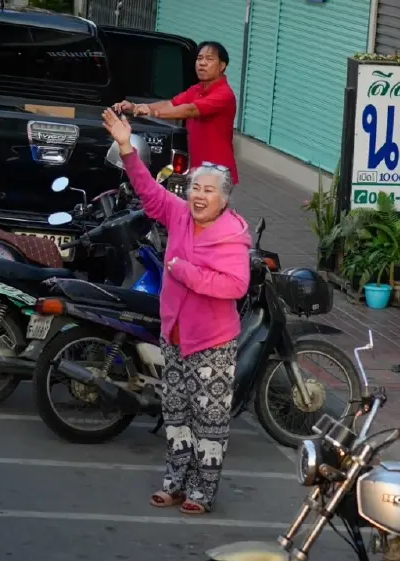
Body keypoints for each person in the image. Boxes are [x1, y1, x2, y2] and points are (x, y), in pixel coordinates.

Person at [101, 107, 251, 515]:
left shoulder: (231, 236)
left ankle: (203, 491)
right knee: (178, 417)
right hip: (175, 337)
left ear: (223, 200)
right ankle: (174, 484)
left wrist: (186, 272)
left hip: (212, 343)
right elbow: (148, 191)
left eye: (208, 190)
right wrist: (126, 147)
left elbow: (235, 285)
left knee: (210, 422)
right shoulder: (179, 213)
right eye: (195, 187)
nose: (198, 195)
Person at [113, 40, 239, 184]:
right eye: (199, 58)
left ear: (222, 66)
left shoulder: (224, 94)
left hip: (218, 173)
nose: (202, 63)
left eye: (209, 59)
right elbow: (170, 103)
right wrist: (137, 107)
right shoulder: (197, 89)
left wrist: (152, 113)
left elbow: (190, 110)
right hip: (198, 169)